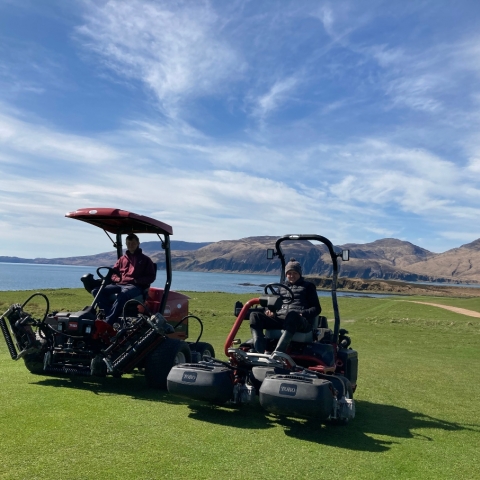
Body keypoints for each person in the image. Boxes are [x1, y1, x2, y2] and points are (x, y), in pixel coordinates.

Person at [249, 258, 321, 353]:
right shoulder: (281, 288)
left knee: (292, 315)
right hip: (281, 319)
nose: (292, 276)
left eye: (295, 273)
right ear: (286, 274)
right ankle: (259, 351)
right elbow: (274, 302)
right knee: (254, 316)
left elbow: (316, 308)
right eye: (289, 273)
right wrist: (270, 309)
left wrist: (302, 314)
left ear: (299, 273)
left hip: (299, 322)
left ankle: (278, 352)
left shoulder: (308, 287)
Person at [93, 233, 156, 325]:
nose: (131, 245)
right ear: (126, 244)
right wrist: (116, 279)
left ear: (138, 243)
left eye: (133, 243)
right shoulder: (122, 259)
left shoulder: (145, 260)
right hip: (119, 284)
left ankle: (108, 322)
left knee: (123, 294)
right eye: (129, 243)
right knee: (96, 291)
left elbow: (151, 277)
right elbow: (113, 273)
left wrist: (136, 281)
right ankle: (109, 315)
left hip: (135, 286)